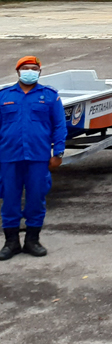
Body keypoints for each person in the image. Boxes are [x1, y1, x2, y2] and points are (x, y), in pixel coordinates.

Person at [0, 56, 66, 260]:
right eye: (26, 68)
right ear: (18, 72)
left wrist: (59, 153)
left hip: (38, 157)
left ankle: (32, 240)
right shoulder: (4, 96)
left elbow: (59, 126)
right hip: (9, 157)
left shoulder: (49, 96)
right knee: (9, 198)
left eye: (34, 68)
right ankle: (11, 243)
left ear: (40, 72)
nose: (30, 71)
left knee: (36, 197)